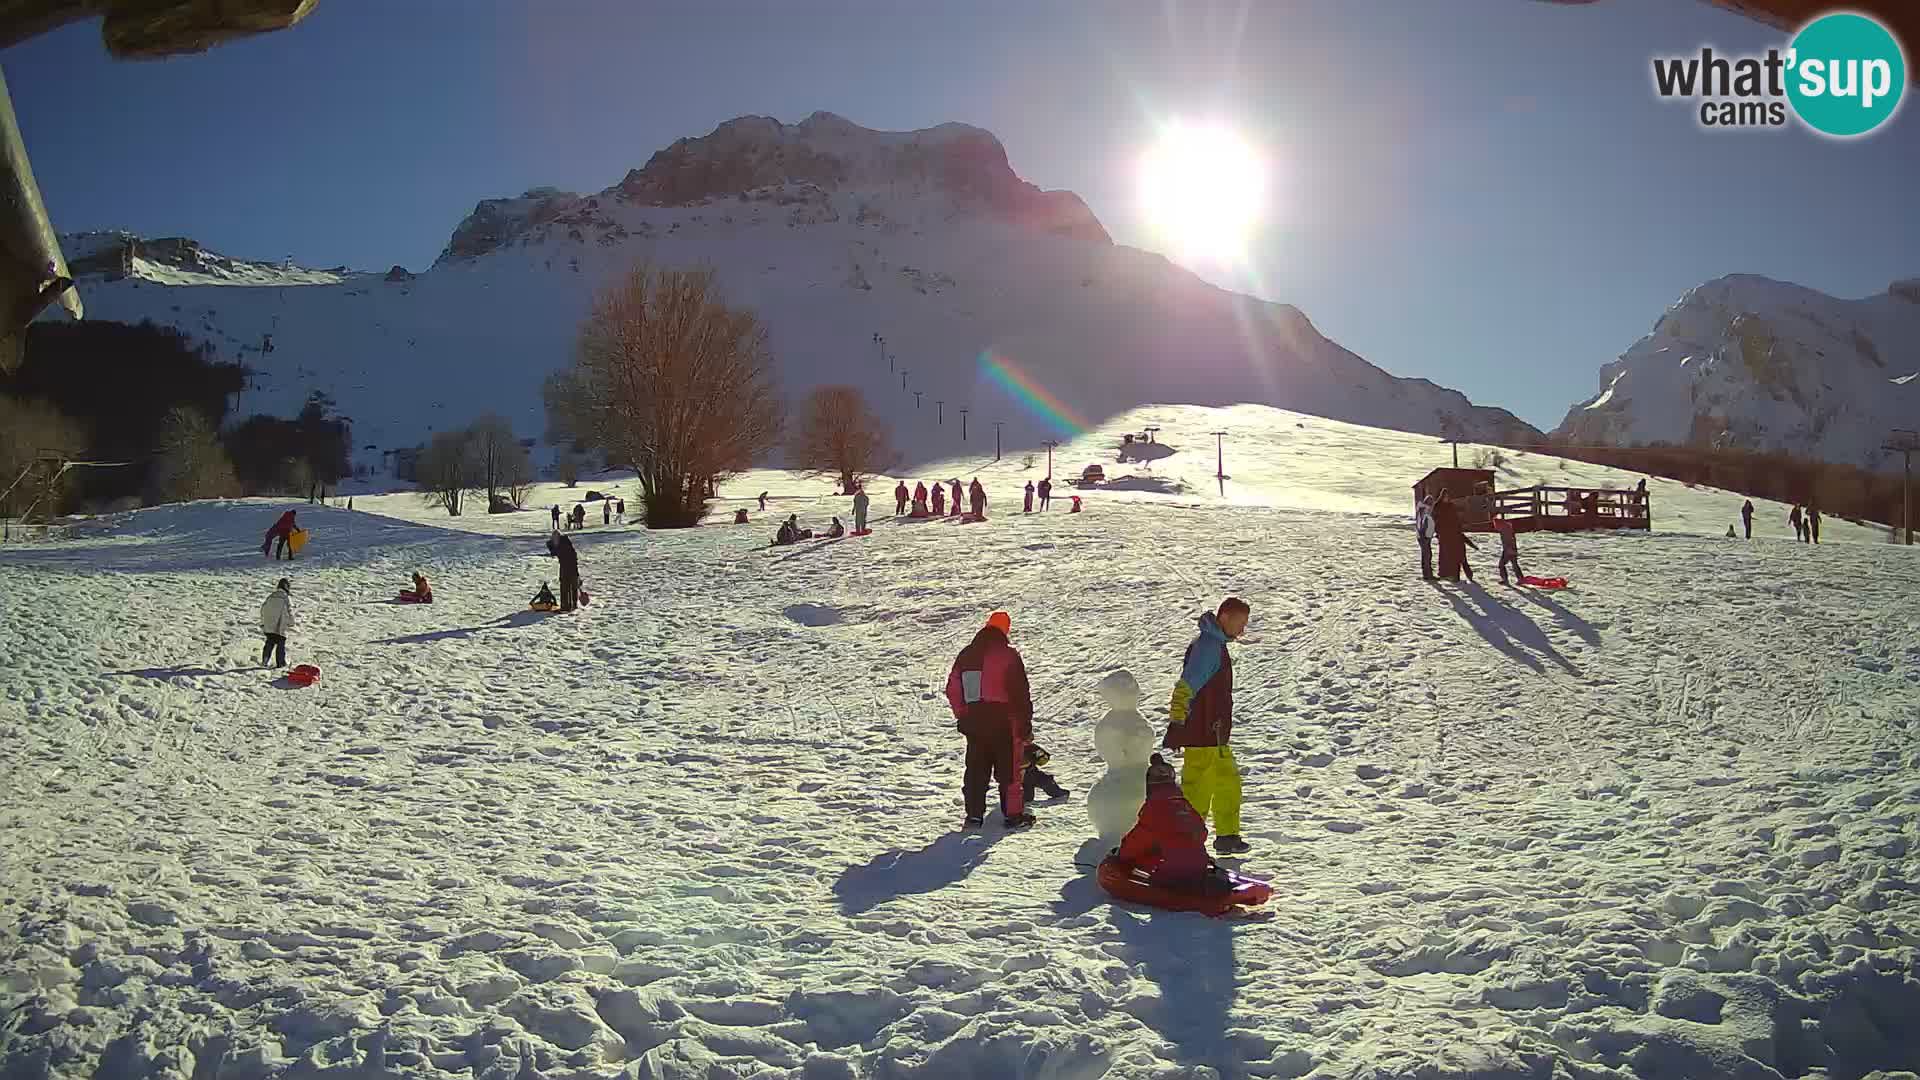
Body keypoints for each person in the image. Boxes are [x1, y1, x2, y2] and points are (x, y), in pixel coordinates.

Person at [1164, 597, 1251, 855]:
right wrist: (1177, 722)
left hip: (1216, 735)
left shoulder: (1217, 644)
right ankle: (1186, 842)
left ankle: (1227, 836)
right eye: (1240, 623)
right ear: (1224, 618)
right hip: (1202, 734)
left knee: (1228, 784)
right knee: (1197, 791)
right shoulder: (1207, 647)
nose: (1242, 630)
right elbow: (1185, 686)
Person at [945, 610, 1036, 829]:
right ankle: (1013, 816)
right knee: (1009, 771)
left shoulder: (966, 655)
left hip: (975, 721)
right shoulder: (1007, 655)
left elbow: (953, 689)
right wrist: (1025, 723)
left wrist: (963, 714)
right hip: (1004, 720)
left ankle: (974, 816)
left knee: (976, 769)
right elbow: (1020, 692)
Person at [1114, 754, 1213, 888]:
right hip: (1200, 866)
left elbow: (1137, 840)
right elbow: (1202, 833)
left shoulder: (1154, 809)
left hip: (1173, 873)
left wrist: (1121, 856)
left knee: (1145, 857)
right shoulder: (1184, 805)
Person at [259, 578, 293, 668]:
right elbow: (288, 611)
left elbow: (263, 610)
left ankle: (265, 660)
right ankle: (280, 663)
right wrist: (291, 622)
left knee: (269, 643)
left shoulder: (271, 596)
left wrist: (264, 622)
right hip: (280, 626)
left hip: (269, 626)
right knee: (280, 645)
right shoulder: (285, 598)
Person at [545, 530, 580, 612]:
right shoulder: (561, 542)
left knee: (569, 585)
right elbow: (554, 553)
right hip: (565, 566)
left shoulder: (564, 542)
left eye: (554, 538)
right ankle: (569, 605)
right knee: (566, 586)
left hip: (570, 566)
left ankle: (569, 606)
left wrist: (550, 545)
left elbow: (557, 552)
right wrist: (550, 544)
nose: (554, 540)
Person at [1494, 518, 1523, 585]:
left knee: (1501, 564)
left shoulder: (1505, 530)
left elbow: (1510, 540)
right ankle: (1520, 579)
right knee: (1514, 564)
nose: (1495, 527)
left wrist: (1510, 549)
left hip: (1508, 550)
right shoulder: (1506, 528)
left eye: (1496, 525)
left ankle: (1505, 579)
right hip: (1511, 549)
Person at [1415, 495, 1436, 580]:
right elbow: (1421, 524)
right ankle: (1428, 574)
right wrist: (1424, 535)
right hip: (1424, 536)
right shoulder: (1423, 510)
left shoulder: (1426, 510)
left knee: (1426, 555)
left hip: (1426, 536)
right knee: (1427, 555)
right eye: (1430, 501)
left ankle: (1427, 573)